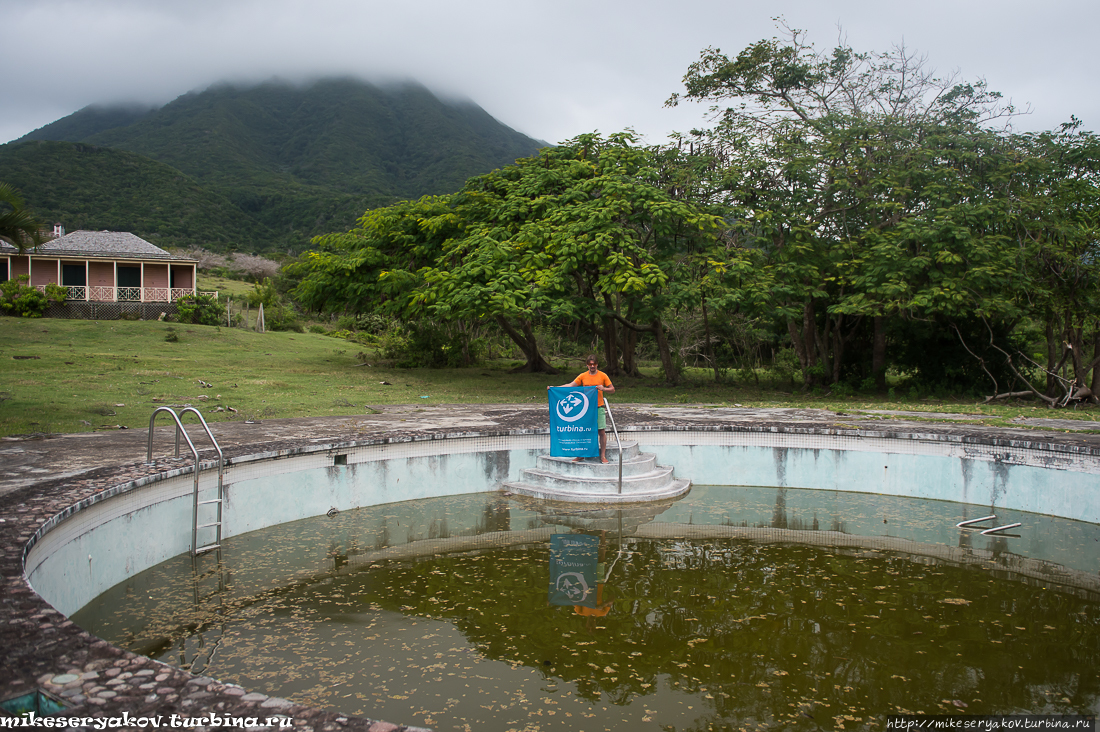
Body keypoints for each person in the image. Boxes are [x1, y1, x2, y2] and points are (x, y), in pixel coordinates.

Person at [550, 355, 615, 463]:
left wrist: (603, 388)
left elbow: (612, 389)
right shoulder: (583, 376)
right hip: (586, 409)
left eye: (594, 364)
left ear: (597, 364)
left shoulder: (603, 375)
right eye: (590, 364)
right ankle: (580, 455)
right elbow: (571, 385)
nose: (592, 366)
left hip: (598, 407)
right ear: (587, 365)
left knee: (601, 431)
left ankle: (603, 456)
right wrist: (554, 388)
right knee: (583, 431)